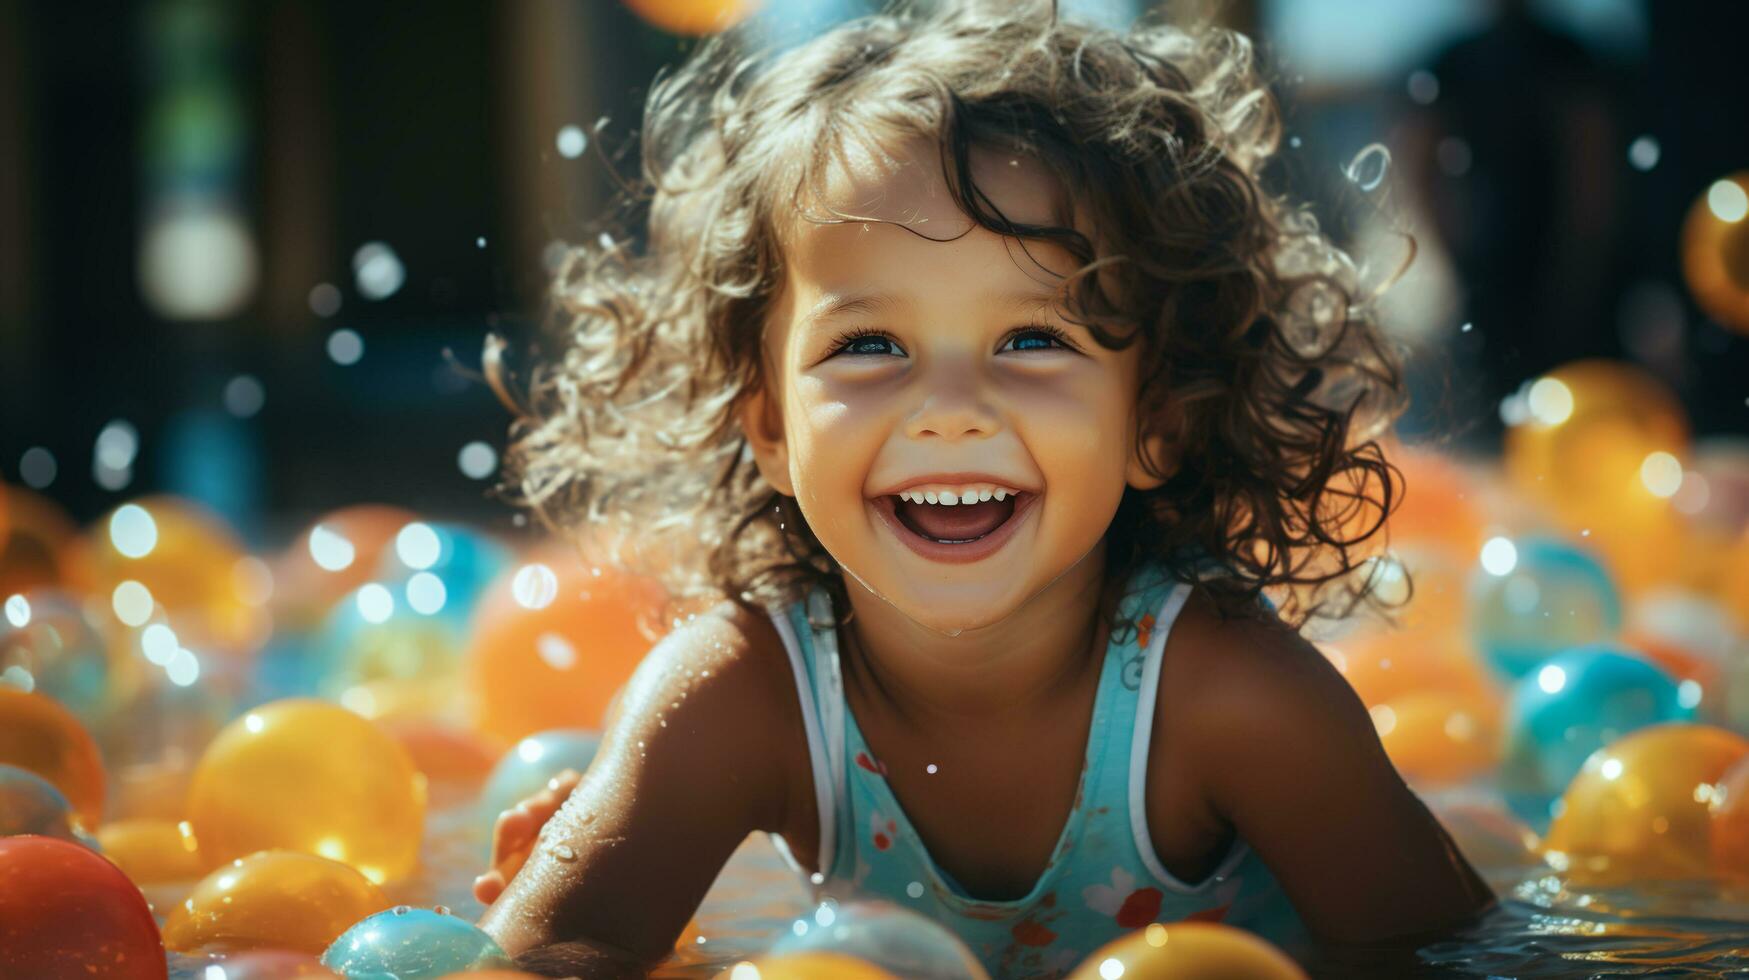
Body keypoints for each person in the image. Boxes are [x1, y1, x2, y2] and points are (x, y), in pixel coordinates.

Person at [473, 1, 1495, 976]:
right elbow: (540, 961)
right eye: (869, 344)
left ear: (1156, 422)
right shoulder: (738, 701)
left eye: (1033, 338)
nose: (949, 408)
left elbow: (1463, 959)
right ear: (773, 428)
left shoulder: (1233, 700)